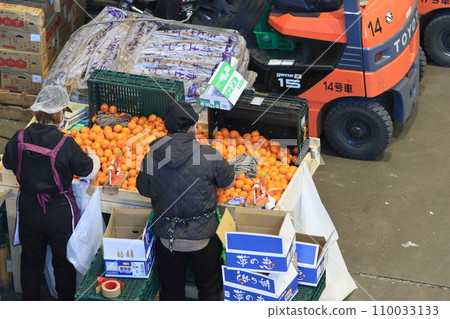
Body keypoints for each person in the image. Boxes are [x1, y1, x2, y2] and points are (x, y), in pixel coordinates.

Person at [2, 86, 100, 301]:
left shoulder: (19, 137)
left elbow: (7, 166)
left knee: (30, 260)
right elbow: (88, 171)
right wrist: (94, 156)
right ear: (60, 114)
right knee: (63, 262)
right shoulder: (66, 143)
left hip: (29, 209)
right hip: (58, 213)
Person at [136, 101, 235, 301]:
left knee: (171, 291)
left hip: (167, 238)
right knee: (209, 290)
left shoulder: (152, 156)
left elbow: (144, 190)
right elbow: (227, 182)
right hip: (203, 238)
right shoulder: (208, 154)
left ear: (168, 128)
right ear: (193, 128)